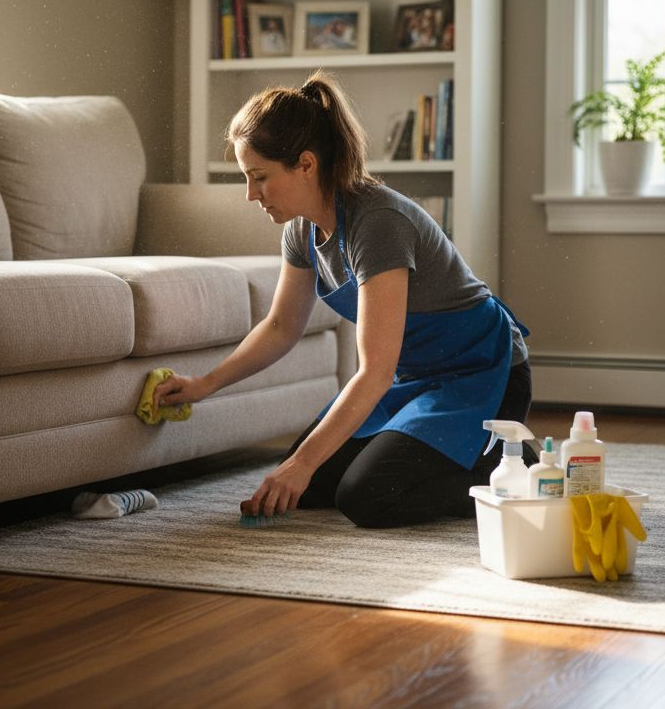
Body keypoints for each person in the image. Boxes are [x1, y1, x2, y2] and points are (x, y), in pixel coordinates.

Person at [152, 71, 532, 528]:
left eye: (259, 177)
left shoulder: (378, 223)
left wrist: (301, 462)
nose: (251, 195)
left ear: (306, 165)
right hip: (412, 377)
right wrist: (203, 385)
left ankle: (514, 467)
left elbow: (374, 371)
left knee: (367, 497)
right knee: (307, 487)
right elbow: (280, 327)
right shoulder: (300, 228)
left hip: (482, 375)